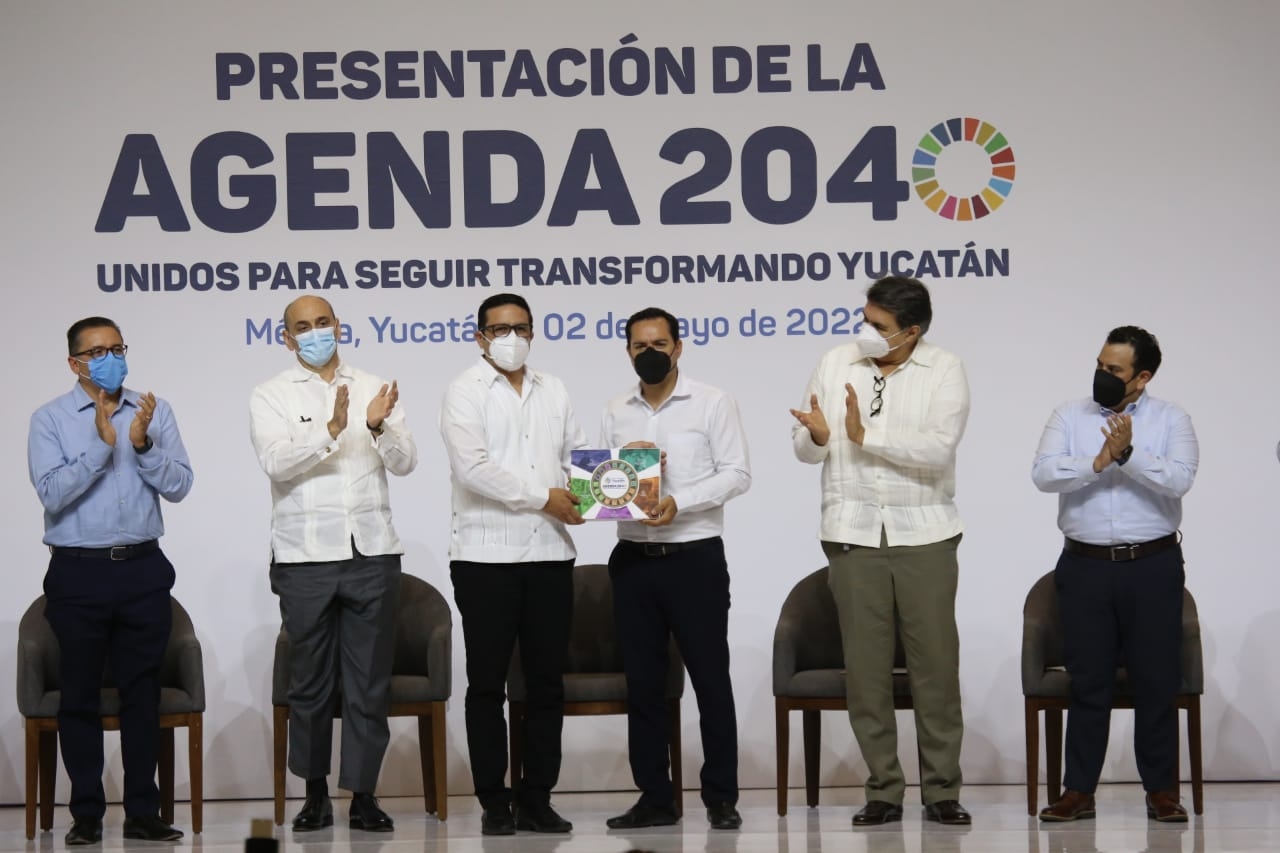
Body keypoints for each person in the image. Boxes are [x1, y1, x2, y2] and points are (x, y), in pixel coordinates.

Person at [790, 276, 972, 827]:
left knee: (934, 668)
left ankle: (941, 789)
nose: (866, 331)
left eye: (880, 326)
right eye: (866, 318)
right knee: (865, 673)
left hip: (925, 533)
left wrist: (865, 436)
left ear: (911, 331)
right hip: (852, 532)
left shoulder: (944, 369)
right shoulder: (834, 361)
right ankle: (884, 790)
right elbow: (804, 449)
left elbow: (937, 451)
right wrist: (820, 436)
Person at [249, 295, 417, 833]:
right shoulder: (270, 394)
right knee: (311, 682)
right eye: (303, 326)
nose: (316, 332)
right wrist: (330, 429)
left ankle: (363, 794)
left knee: (369, 682)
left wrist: (374, 427)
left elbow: (407, 461)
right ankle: (315, 793)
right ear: (286, 337)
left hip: (371, 552)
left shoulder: (375, 385)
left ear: (338, 327)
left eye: (323, 322)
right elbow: (275, 462)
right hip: (304, 556)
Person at [28, 316, 193, 845]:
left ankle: (144, 812)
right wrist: (102, 446)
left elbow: (181, 485)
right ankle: (87, 815)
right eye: (97, 351)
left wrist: (141, 446)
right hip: (79, 572)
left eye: (117, 348)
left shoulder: (152, 409)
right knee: (79, 695)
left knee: (141, 694)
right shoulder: (49, 419)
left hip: (142, 568)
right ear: (75, 363)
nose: (110, 358)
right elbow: (52, 493)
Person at [1032, 326, 1198, 823]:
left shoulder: (1172, 419)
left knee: (1155, 680)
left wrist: (1128, 455)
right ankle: (1078, 791)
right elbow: (1044, 473)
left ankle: (1162, 792)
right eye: (1100, 365)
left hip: (1152, 564)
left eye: (1115, 370)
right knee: (1090, 682)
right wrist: (1097, 462)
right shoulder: (1069, 415)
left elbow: (1180, 480)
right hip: (1084, 566)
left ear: (1142, 377)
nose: (1102, 375)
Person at [440, 293, 587, 836]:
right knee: (487, 684)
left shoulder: (556, 389)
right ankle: (493, 800)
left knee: (547, 683)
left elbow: (576, 459)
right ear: (480, 337)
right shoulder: (464, 391)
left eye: (521, 328)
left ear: (533, 332)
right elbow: (473, 469)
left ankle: (537, 797)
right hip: (485, 557)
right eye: (499, 330)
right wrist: (542, 497)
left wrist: (622, 480)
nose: (511, 338)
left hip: (550, 553)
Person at [601, 307, 751, 832]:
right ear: (627, 352)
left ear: (679, 347)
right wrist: (598, 495)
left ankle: (721, 797)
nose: (650, 353)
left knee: (711, 681)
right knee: (643, 685)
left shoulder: (712, 402)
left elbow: (737, 474)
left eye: (660, 344)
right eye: (640, 346)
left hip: (694, 558)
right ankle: (655, 797)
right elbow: (610, 484)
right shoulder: (616, 409)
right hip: (632, 560)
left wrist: (679, 500)